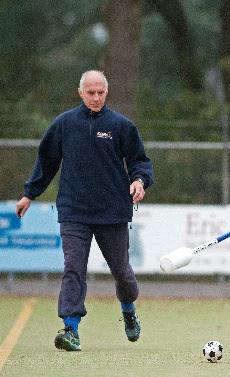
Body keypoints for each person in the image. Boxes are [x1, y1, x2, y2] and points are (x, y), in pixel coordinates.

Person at [15, 70, 154, 352]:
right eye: (90, 92)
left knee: (122, 273)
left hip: (113, 211)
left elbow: (140, 162)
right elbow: (47, 161)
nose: (95, 97)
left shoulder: (121, 126)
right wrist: (30, 193)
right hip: (73, 211)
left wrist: (139, 181)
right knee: (73, 268)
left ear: (107, 92)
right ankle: (71, 329)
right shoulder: (64, 124)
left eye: (100, 92)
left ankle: (128, 310)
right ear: (80, 92)